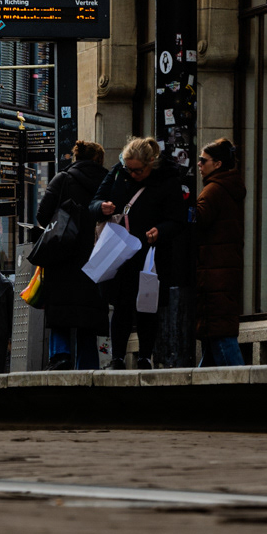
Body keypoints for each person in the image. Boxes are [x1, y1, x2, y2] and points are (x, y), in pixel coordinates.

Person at [90, 136, 187, 369]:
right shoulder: (118, 172)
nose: (132, 174)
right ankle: (117, 358)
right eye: (129, 169)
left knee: (147, 306)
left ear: (151, 163)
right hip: (119, 252)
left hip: (150, 254)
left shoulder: (167, 180)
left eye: (138, 171)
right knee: (121, 306)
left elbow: (177, 220)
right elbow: (94, 203)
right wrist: (101, 207)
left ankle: (145, 357)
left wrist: (160, 231)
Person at [35, 139, 110, 370]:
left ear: (76, 157)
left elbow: (42, 215)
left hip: (63, 255)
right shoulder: (107, 181)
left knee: (61, 309)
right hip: (95, 256)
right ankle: (87, 364)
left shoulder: (63, 179)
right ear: (99, 160)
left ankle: (60, 355)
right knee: (88, 314)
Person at [195, 138, 246, 366]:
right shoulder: (227, 187)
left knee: (219, 334)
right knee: (213, 335)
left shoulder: (213, 190)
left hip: (214, 275)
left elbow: (197, 220)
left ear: (217, 164)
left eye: (203, 160)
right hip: (222, 272)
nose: (199, 164)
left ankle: (241, 382)